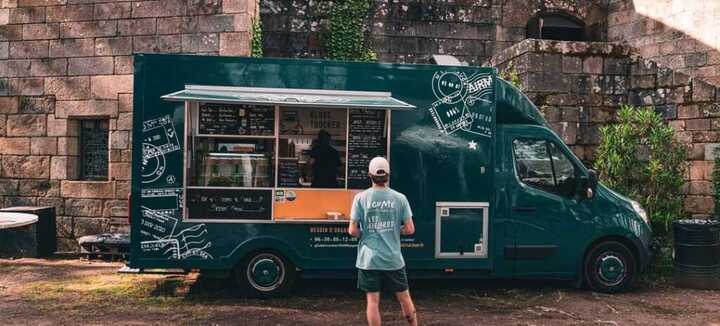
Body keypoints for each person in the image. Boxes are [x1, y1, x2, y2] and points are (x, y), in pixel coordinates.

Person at [348, 157, 418, 326]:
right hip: (393, 259)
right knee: (404, 298)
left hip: (369, 260)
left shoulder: (360, 198)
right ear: (388, 175)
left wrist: (365, 233)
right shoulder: (400, 198)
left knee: (372, 301)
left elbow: (352, 230)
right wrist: (395, 230)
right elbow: (410, 229)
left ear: (369, 175)